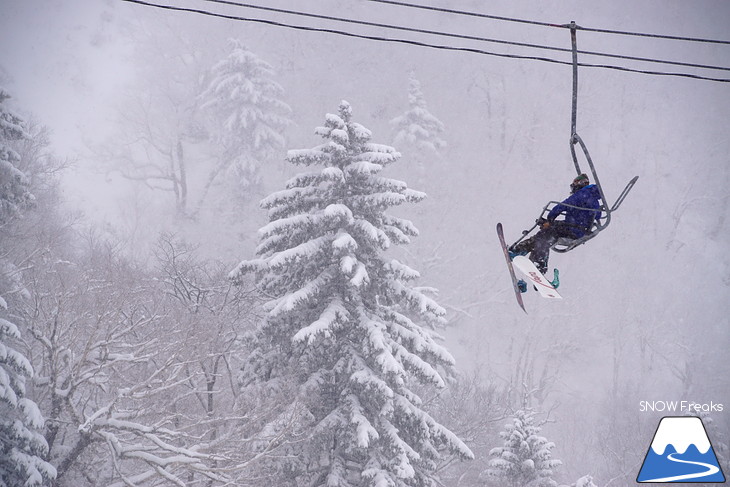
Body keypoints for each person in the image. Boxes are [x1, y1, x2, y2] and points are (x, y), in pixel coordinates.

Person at [509, 173, 602, 276]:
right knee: (544, 234)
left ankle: (537, 262)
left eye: (575, 182)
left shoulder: (582, 194)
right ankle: (523, 252)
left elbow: (561, 206)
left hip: (573, 229)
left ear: (580, 183)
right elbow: (596, 215)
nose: (573, 185)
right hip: (577, 228)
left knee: (546, 235)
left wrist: (550, 218)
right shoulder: (593, 197)